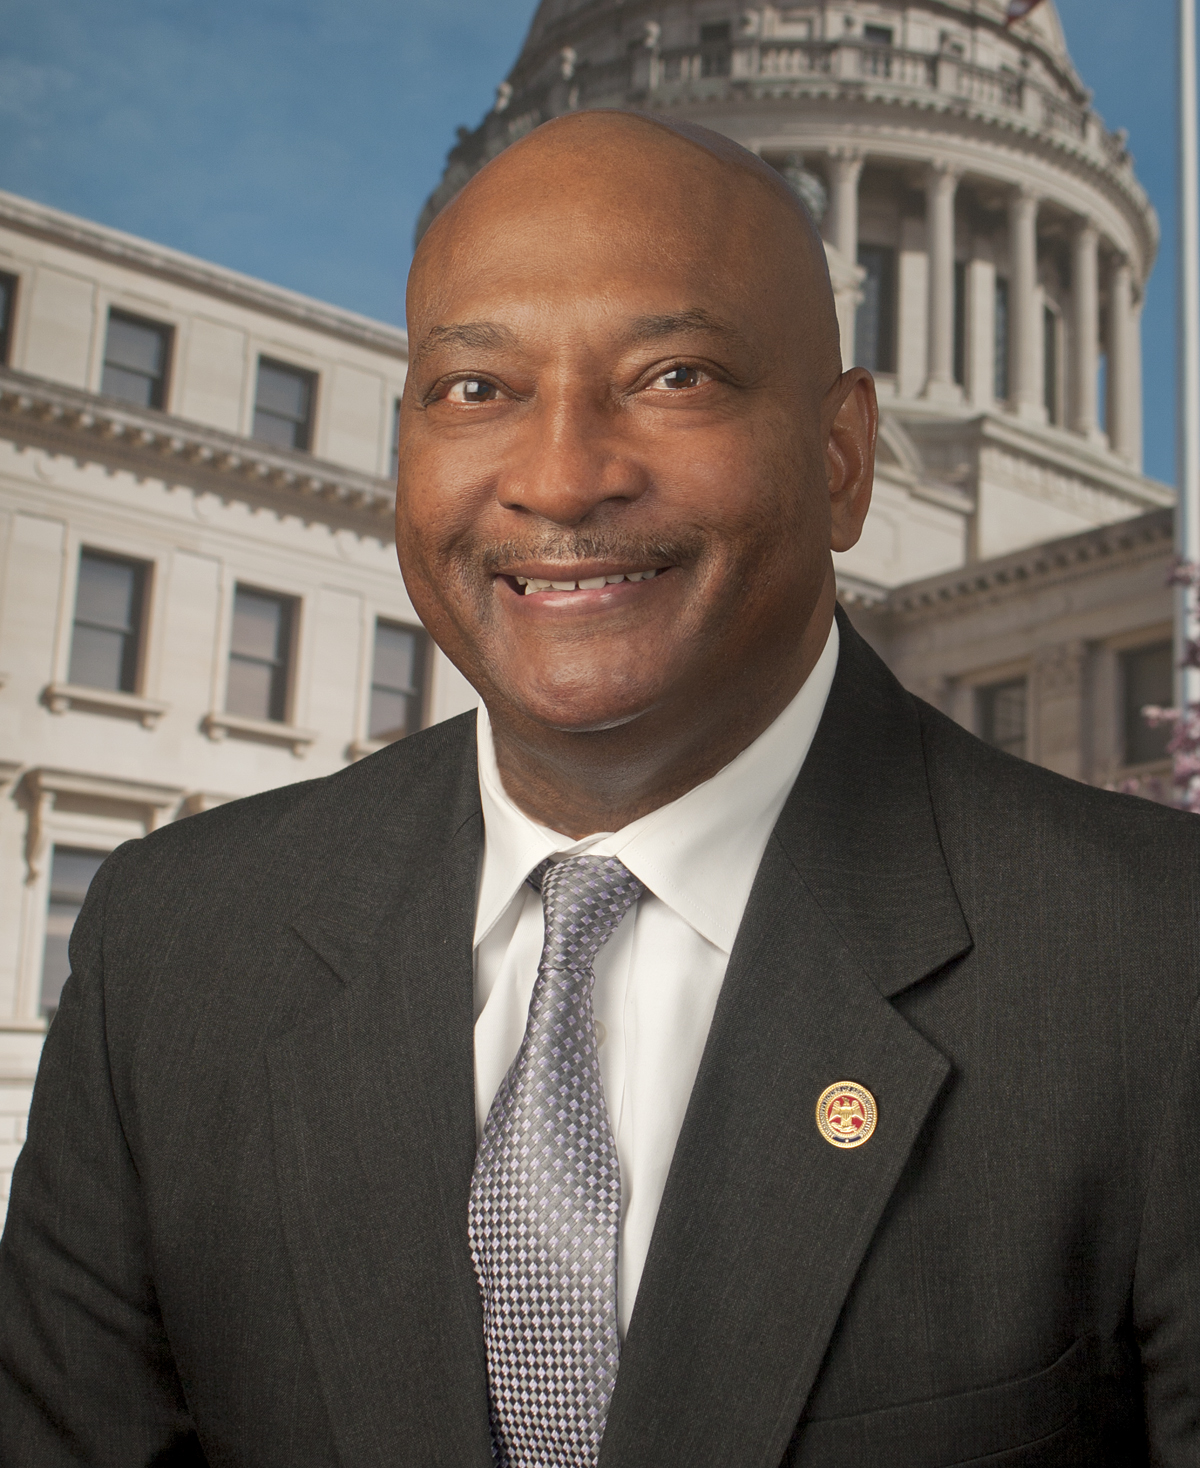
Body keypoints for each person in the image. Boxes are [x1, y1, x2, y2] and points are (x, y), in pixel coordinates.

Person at [1, 110, 1197, 1468]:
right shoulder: (173, 950)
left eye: (675, 374)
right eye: (475, 389)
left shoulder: (1158, 966)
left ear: (843, 459)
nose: (562, 478)